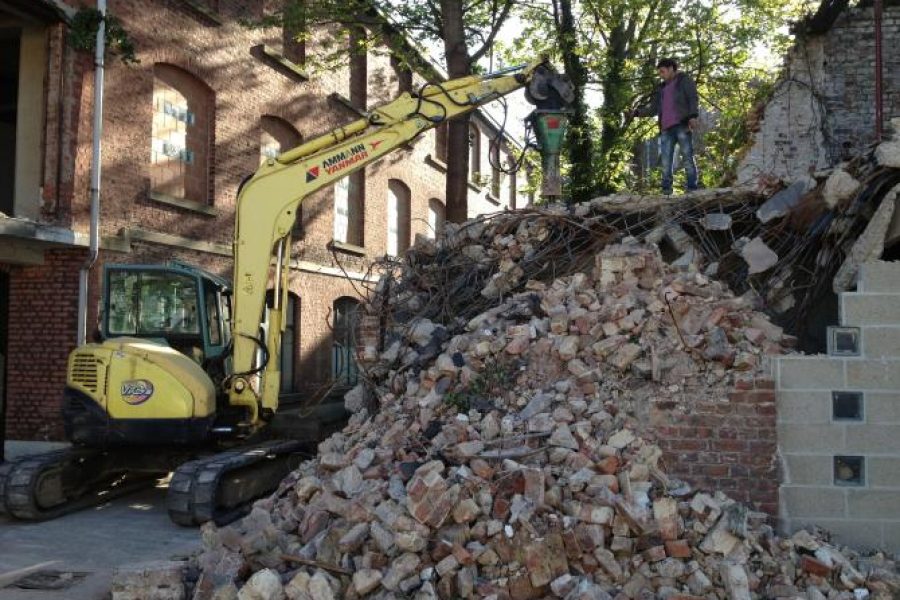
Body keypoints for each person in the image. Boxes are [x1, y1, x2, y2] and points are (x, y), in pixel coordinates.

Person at [631, 58, 700, 195]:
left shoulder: (684, 81)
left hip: (682, 124)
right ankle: (666, 191)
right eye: (659, 73)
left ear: (671, 69)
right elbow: (653, 109)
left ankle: (692, 189)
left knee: (687, 157)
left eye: (662, 72)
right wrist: (636, 113)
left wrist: (692, 116)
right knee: (666, 162)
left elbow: (693, 98)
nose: (661, 75)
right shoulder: (661, 88)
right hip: (666, 129)